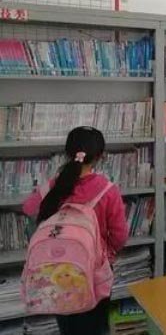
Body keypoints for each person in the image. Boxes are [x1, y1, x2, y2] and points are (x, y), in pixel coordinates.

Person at [23, 127, 128, 335]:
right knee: (96, 326)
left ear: (67, 153)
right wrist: (108, 253)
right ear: (100, 156)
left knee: (67, 327)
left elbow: (28, 208)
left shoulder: (54, 186)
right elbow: (120, 235)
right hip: (95, 271)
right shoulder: (108, 190)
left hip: (56, 270)